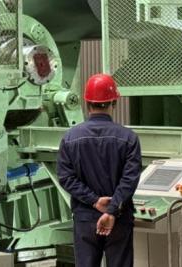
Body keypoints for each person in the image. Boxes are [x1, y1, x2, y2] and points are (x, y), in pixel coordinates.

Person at [57, 73, 142, 267]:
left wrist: (94, 201)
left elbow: (66, 177)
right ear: (114, 102)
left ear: (87, 103)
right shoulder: (128, 138)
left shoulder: (70, 138)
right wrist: (111, 210)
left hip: (85, 219)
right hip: (119, 219)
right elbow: (129, 180)